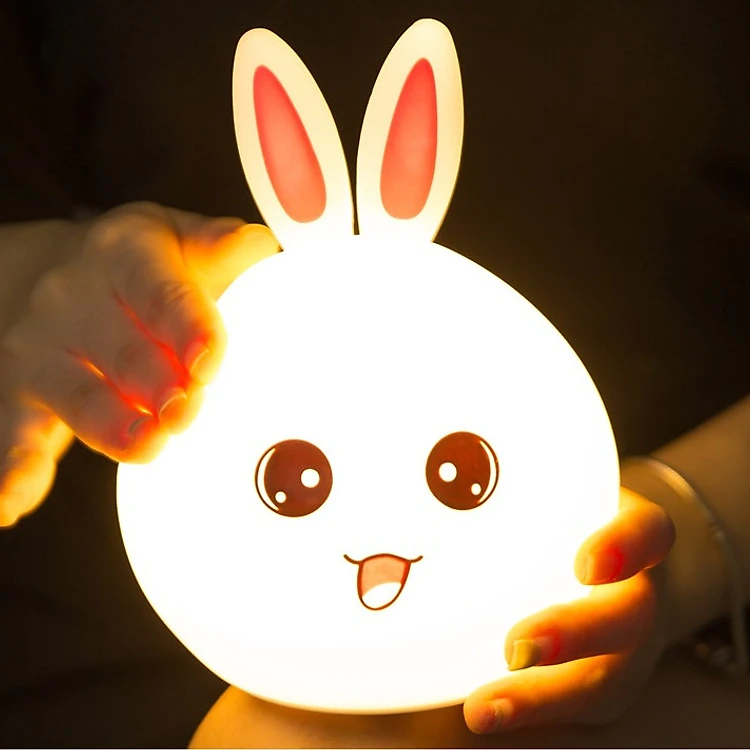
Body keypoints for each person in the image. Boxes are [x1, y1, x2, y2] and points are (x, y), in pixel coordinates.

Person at [1, 1, 749, 747]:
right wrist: (55, 284)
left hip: (665, 639)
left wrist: (682, 540)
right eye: (292, 482)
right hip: (85, 665)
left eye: (461, 474)